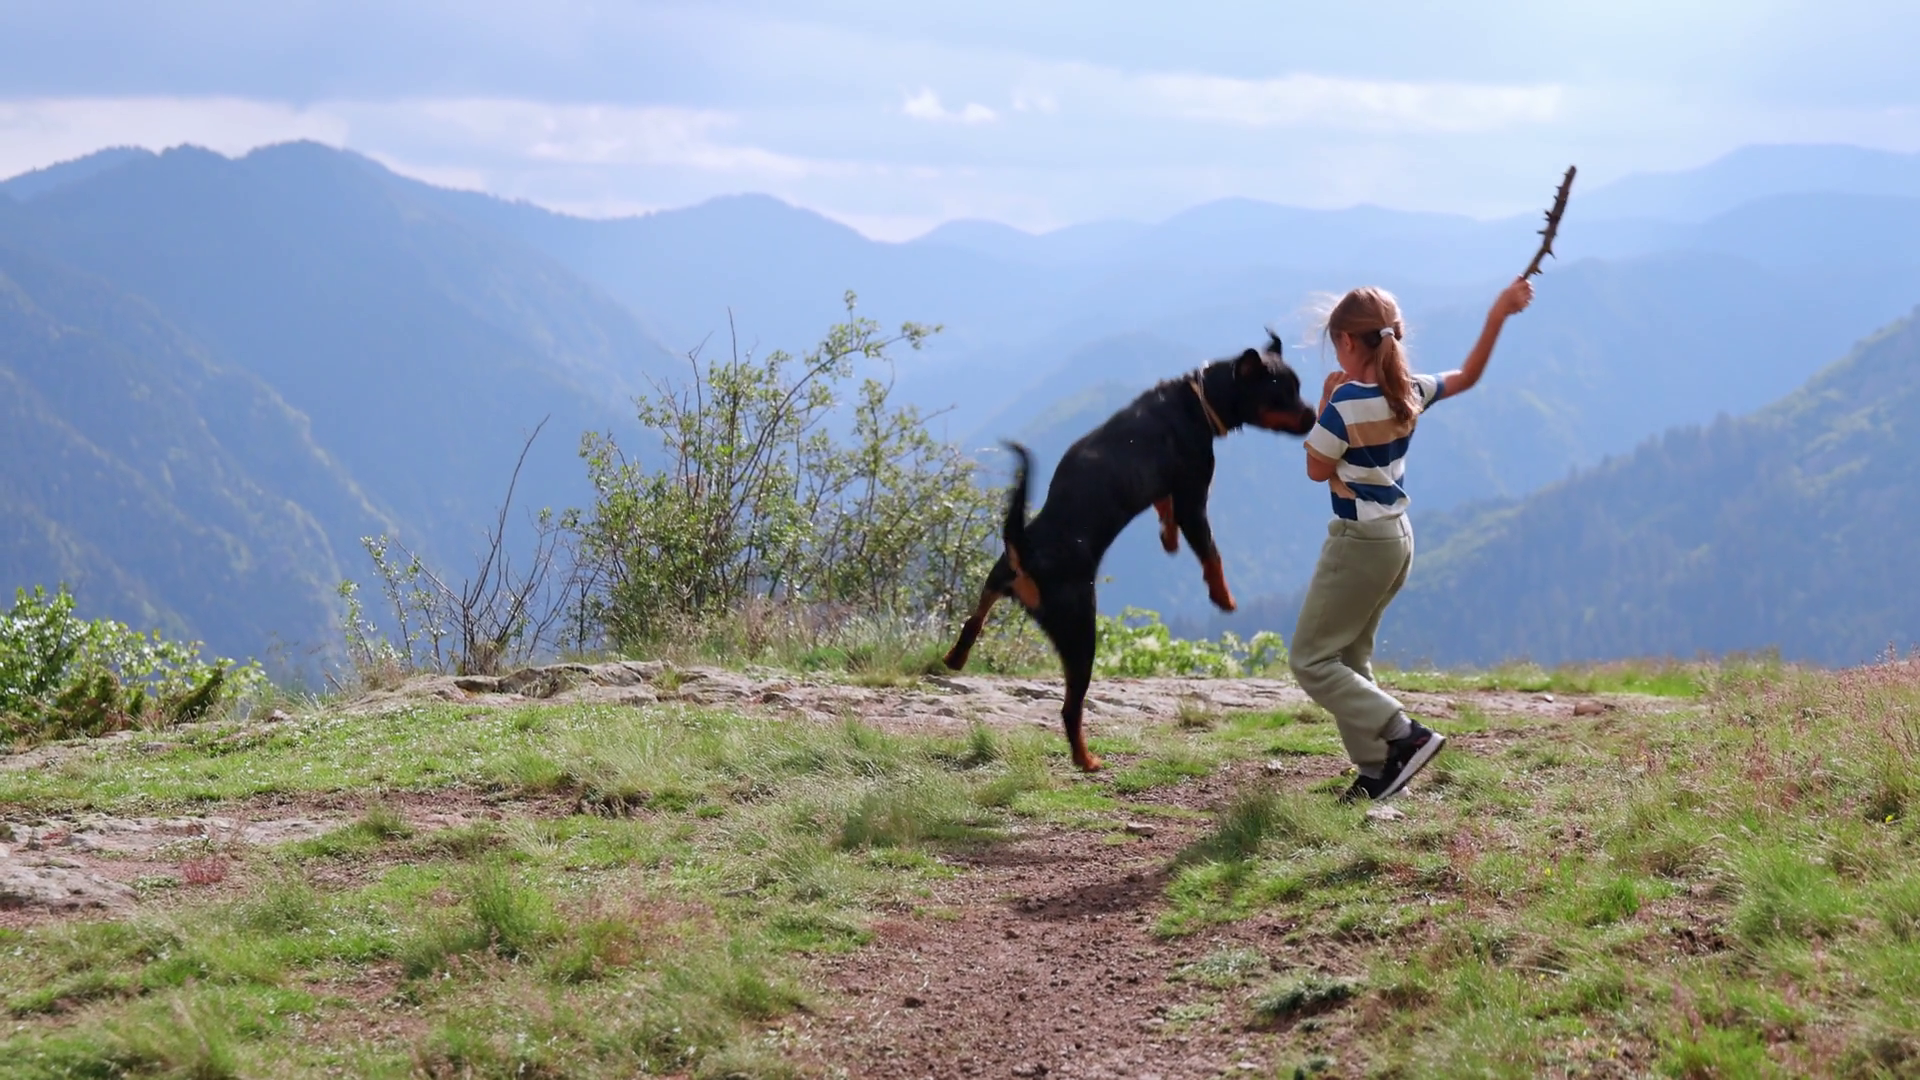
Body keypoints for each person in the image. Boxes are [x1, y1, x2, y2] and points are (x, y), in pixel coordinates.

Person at [1290, 276, 1535, 801]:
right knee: (1351, 657)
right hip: (1397, 540)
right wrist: (1497, 313)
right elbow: (1467, 376)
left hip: (1358, 542)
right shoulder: (1409, 391)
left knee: (1310, 661)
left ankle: (1404, 734)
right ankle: (1381, 771)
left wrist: (1326, 399)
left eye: (1335, 344)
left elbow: (1316, 468)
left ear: (1348, 342)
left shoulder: (1346, 402)